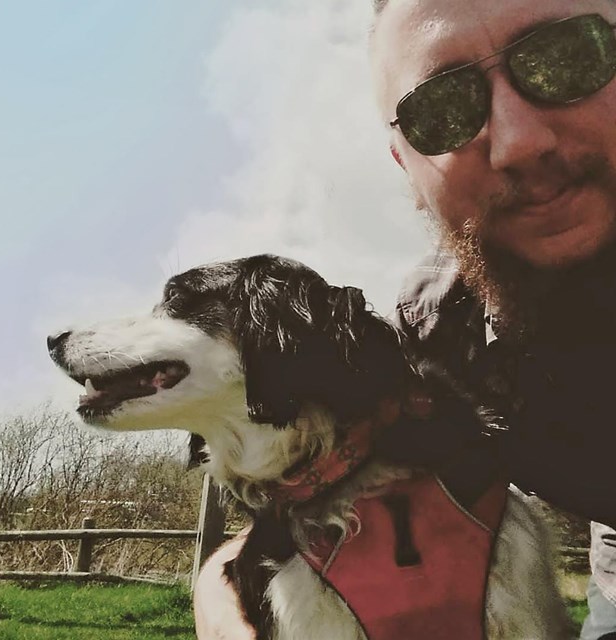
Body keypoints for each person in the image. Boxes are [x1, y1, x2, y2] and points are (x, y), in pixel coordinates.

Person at [194, 0, 616, 637]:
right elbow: (328, 492)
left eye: (568, 57)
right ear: (407, 168)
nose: (521, 142)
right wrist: (222, 591)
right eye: (442, 111)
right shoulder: (439, 341)